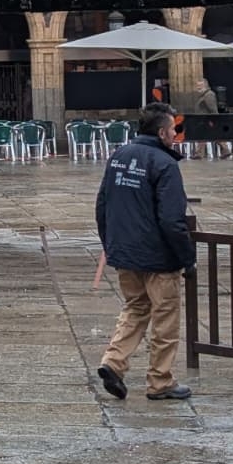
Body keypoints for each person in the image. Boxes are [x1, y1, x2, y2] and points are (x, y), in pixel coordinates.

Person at [95, 102, 197, 402]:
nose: (175, 135)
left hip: (125, 252)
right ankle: (160, 380)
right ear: (163, 132)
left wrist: (110, 244)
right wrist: (186, 257)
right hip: (158, 256)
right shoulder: (165, 164)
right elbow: (171, 219)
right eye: (173, 130)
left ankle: (113, 363)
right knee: (165, 317)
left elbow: (102, 205)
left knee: (135, 308)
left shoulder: (118, 157)